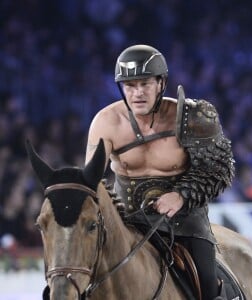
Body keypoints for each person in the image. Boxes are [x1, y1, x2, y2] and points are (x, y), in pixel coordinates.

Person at [85, 44, 235, 300]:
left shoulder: (194, 116)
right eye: (130, 86)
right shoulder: (105, 122)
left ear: (161, 83)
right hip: (127, 220)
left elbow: (220, 169)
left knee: (208, 289)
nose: (137, 93)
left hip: (186, 221)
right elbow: (90, 182)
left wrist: (181, 195)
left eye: (145, 84)